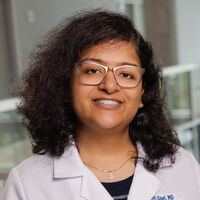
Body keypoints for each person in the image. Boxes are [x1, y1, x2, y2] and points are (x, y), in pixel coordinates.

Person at [1, 10, 200, 200]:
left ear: (142, 93)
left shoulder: (183, 166)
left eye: (126, 74)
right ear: (65, 85)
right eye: (93, 71)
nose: (109, 85)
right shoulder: (27, 183)